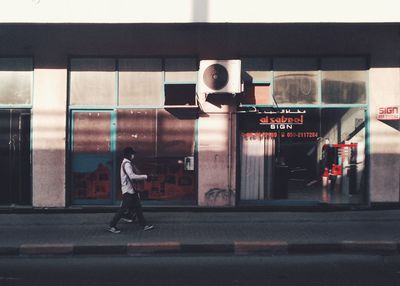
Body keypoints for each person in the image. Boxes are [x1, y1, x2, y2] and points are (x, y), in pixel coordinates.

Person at [108, 147, 154, 233]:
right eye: (132, 154)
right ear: (128, 154)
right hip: (129, 190)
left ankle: (144, 225)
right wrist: (145, 176)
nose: (133, 155)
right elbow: (132, 176)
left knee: (138, 208)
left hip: (132, 190)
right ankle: (112, 225)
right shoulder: (126, 164)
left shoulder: (127, 163)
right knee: (123, 208)